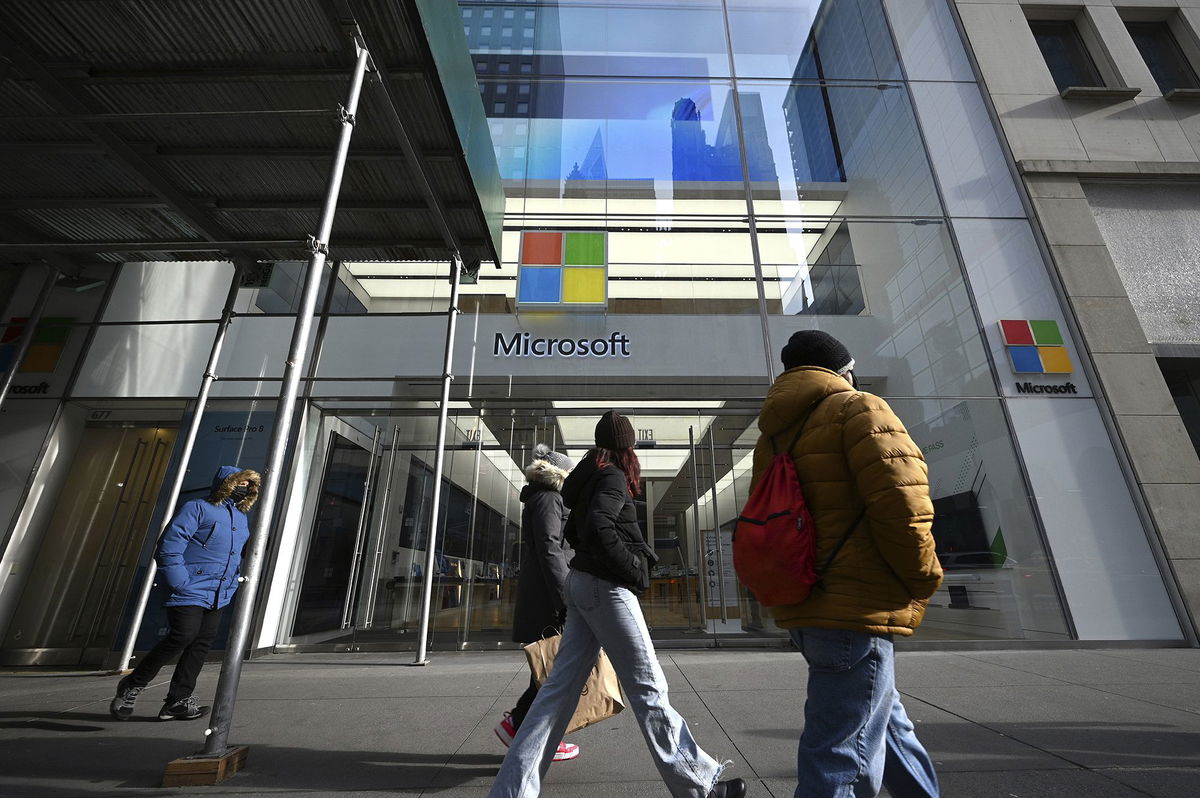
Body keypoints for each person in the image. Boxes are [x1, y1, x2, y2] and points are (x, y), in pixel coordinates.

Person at [488, 411, 746, 798]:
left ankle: (512, 791)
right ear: (628, 446)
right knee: (649, 687)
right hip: (606, 589)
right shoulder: (611, 476)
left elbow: (578, 529)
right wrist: (632, 568)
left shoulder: (586, 477)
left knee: (556, 693)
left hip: (584, 585)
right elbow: (596, 526)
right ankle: (699, 786)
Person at [750, 330, 943, 798]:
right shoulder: (859, 408)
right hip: (856, 603)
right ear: (843, 369)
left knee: (882, 719)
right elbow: (902, 502)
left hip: (804, 599)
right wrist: (924, 577)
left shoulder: (774, 436)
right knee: (842, 751)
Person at [110, 465, 261, 721]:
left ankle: (178, 700)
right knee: (183, 635)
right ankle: (132, 685)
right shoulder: (197, 507)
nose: (243, 488)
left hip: (219, 591)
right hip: (190, 587)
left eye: (248, 485)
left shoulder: (239, 516)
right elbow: (170, 545)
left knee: (201, 643)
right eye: (240, 483)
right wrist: (180, 582)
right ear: (226, 483)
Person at [494, 443, 580, 763]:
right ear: (559, 475)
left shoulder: (547, 498)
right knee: (551, 670)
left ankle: (522, 727)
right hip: (547, 599)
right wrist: (564, 598)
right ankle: (522, 727)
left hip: (547, 596)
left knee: (549, 671)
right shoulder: (548, 499)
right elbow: (549, 549)